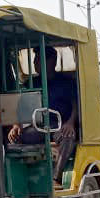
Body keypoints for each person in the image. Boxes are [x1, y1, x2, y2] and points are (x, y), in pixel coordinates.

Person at [7, 46, 78, 187]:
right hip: (38, 127)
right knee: (11, 140)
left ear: (52, 61)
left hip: (59, 125)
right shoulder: (31, 83)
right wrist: (16, 125)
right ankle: (18, 182)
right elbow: (20, 107)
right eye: (34, 60)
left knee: (68, 138)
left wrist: (71, 123)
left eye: (38, 60)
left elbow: (76, 105)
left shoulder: (67, 83)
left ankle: (56, 178)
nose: (35, 63)